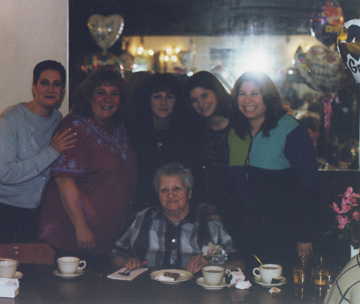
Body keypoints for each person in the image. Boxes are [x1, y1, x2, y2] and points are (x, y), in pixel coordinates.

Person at [39, 66, 137, 271]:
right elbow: (63, 180)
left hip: (108, 240)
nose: (107, 99)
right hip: (77, 239)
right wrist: (82, 228)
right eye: (101, 92)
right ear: (89, 95)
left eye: (114, 93)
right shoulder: (74, 127)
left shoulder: (118, 126)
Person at [230, 71, 320, 270]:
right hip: (245, 236)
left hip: (283, 236)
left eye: (255, 93)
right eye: (242, 94)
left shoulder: (290, 129)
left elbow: (310, 186)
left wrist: (305, 235)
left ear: (268, 97)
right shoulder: (236, 131)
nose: (248, 100)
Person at [0, 60, 76, 245]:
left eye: (57, 84)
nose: (50, 89)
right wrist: (51, 151)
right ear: (34, 87)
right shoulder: (10, 118)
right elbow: (6, 174)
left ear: (63, 91)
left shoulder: (58, 119)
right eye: (44, 82)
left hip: (32, 214)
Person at [109, 162, 244, 274]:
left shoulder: (212, 226)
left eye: (177, 189)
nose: (170, 195)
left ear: (189, 193)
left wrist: (212, 267)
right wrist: (128, 263)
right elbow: (116, 254)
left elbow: (239, 264)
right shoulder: (141, 219)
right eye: (164, 190)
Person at [184, 71, 250, 252]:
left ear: (217, 92)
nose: (201, 104)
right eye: (194, 100)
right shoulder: (196, 129)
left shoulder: (242, 121)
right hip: (212, 212)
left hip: (245, 209)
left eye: (205, 96)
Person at [127, 73, 198, 212]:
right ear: (148, 100)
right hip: (141, 207)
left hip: (177, 208)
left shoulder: (188, 133)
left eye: (169, 97)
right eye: (157, 97)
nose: (163, 103)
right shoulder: (133, 132)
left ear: (177, 101)